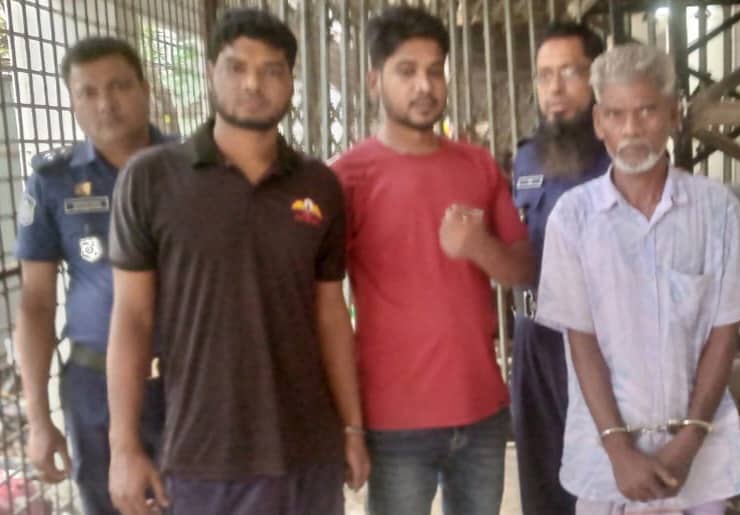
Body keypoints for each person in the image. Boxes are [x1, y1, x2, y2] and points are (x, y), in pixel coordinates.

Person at [105, 9, 368, 515]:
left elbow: (331, 313)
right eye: (237, 67)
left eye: (272, 70)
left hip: (309, 450)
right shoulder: (151, 179)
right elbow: (132, 318)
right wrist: (124, 446)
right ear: (210, 72)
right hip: (205, 455)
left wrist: (352, 429)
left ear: (291, 82)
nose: (253, 83)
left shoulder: (318, 184)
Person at [535, 43, 740, 515]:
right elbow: (582, 342)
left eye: (647, 111)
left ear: (674, 115)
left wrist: (689, 440)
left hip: (700, 457)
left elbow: (724, 333)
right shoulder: (573, 218)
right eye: (616, 114)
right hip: (607, 461)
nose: (632, 129)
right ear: (598, 122)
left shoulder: (716, 210)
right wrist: (619, 450)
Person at [331, 6, 534, 515]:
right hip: (394, 422)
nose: (424, 85)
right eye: (406, 71)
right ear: (374, 81)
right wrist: (349, 424)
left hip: (482, 410)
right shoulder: (346, 178)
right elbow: (323, 303)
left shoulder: (478, 165)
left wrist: (479, 247)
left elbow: (524, 269)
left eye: (435, 70)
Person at [14, 36, 168, 515]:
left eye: (119, 86)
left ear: (144, 89)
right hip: (94, 385)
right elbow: (36, 304)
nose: (106, 103)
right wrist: (39, 419)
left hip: (188, 379)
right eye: (88, 92)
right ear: (73, 101)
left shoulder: (192, 167)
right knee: (110, 503)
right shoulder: (53, 181)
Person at [510, 21, 608, 515]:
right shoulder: (527, 157)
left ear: (598, 78)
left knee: (599, 477)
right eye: (545, 75)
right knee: (541, 478)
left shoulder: (618, 158)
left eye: (571, 72)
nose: (555, 88)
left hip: (600, 341)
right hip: (533, 337)